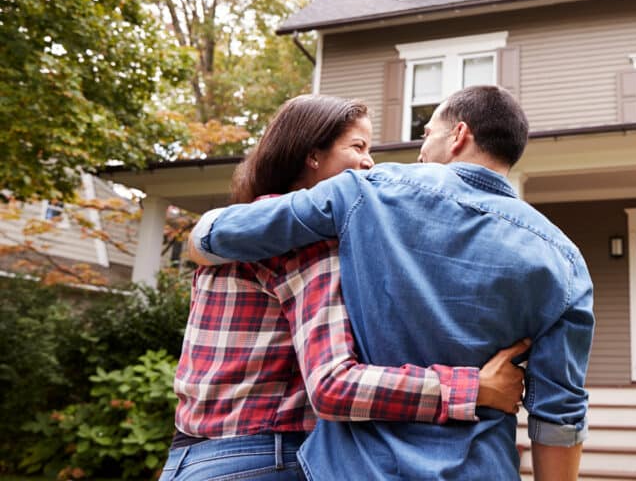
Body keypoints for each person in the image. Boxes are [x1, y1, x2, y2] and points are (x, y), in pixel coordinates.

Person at [190, 85, 594, 481]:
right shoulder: (565, 261)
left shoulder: (366, 194)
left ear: (459, 135)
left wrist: (199, 239)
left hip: (360, 468)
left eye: (427, 133)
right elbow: (559, 414)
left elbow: (225, 232)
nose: (419, 150)